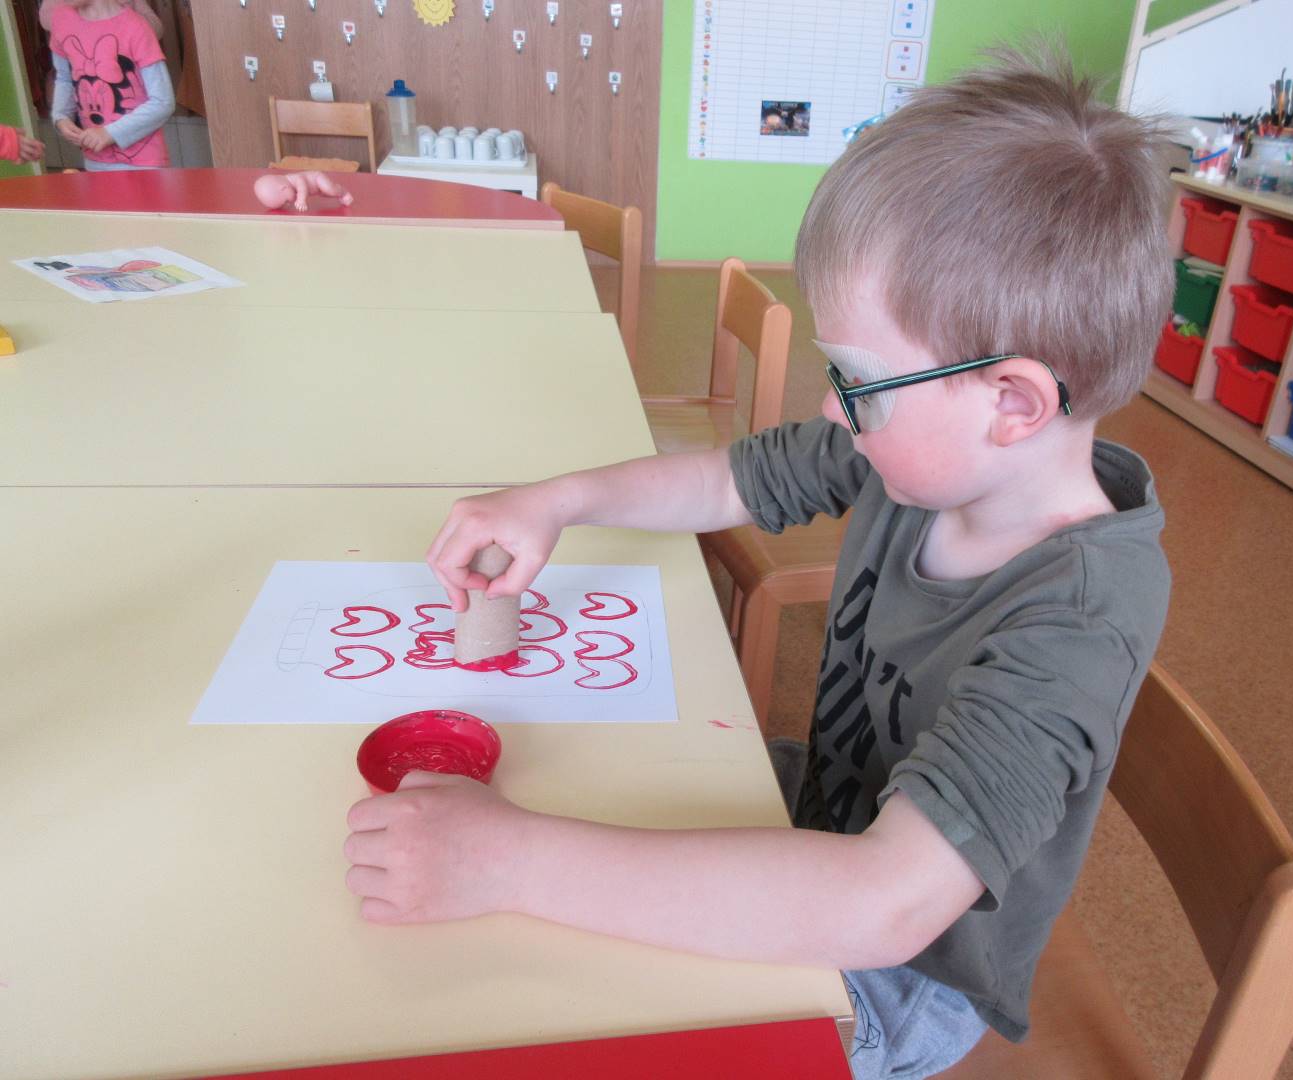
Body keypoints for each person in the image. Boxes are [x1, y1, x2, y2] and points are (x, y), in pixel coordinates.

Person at [343, 45, 1174, 1079]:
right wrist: (556, 499)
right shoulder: (924, 456)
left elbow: (886, 904)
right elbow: (729, 480)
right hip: (817, 815)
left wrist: (509, 861)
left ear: (1012, 402)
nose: (833, 407)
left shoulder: (1079, 616)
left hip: (900, 979)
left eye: (857, 379)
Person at [47, 0, 173, 170]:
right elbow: (64, 78)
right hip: (95, 160)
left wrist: (110, 133)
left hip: (144, 163)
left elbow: (163, 102)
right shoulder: (61, 19)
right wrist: (61, 117)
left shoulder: (137, 27)